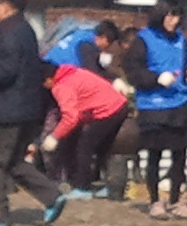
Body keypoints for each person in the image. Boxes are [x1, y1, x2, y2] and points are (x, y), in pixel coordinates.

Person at [0, 0, 69, 226]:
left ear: (5, 6)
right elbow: (4, 60)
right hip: (27, 108)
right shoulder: (24, 29)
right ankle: (52, 196)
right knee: (13, 162)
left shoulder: (8, 30)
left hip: (7, 110)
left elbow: (6, 70)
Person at [123, 0, 187, 220]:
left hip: (180, 102)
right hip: (153, 105)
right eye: (169, 16)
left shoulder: (181, 39)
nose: (173, 21)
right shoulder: (143, 40)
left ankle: (176, 199)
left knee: (180, 154)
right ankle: (155, 200)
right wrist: (156, 78)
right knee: (154, 155)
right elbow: (133, 71)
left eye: (176, 16)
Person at [42, 56, 128, 194]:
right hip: (119, 105)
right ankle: (109, 187)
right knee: (104, 148)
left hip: (107, 111)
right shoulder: (75, 72)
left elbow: (71, 117)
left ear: (48, 79)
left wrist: (55, 136)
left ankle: (83, 187)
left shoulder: (61, 87)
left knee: (84, 147)